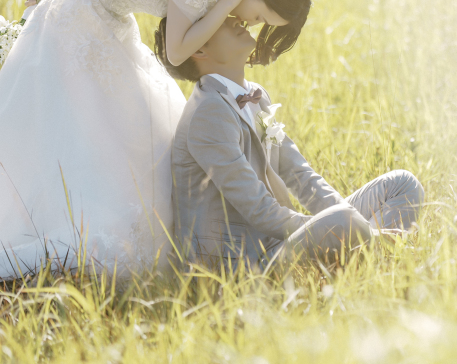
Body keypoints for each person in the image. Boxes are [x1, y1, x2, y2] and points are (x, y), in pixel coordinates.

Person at [0, 0, 308, 279]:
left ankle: (116, 219)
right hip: (82, 15)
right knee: (98, 126)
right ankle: (78, 225)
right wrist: (226, 3)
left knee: (134, 124)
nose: (251, 23)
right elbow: (177, 53)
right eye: (260, 17)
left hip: (108, 19)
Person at [161, 16, 425, 269]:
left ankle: (365, 252)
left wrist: (343, 217)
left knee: (403, 184)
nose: (235, 19)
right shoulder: (208, 112)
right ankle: (377, 249)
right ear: (199, 50)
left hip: (277, 241)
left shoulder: (255, 96)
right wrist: (345, 226)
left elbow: (299, 173)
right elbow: (259, 210)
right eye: (219, 20)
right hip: (242, 262)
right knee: (344, 222)